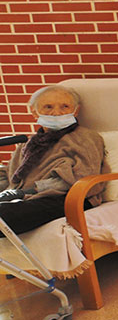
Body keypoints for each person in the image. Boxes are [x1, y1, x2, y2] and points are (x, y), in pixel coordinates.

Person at [0, 86, 108, 234]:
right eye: (48, 107)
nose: (57, 113)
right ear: (34, 111)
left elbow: (83, 178)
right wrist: (9, 191)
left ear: (75, 111)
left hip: (69, 198)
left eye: (65, 107)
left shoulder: (85, 138)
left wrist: (27, 191)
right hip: (29, 198)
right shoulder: (29, 143)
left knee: (3, 214)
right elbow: (10, 176)